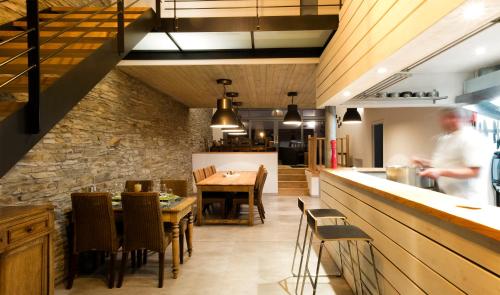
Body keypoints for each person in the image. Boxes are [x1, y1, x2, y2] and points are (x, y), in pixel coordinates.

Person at [413, 108, 492, 205]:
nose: (447, 121)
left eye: (452, 117)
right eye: (445, 117)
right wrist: (424, 162)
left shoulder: (471, 138)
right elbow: (448, 162)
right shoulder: (447, 138)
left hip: (468, 200)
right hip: (450, 197)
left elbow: (474, 172)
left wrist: (440, 172)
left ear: (464, 119)